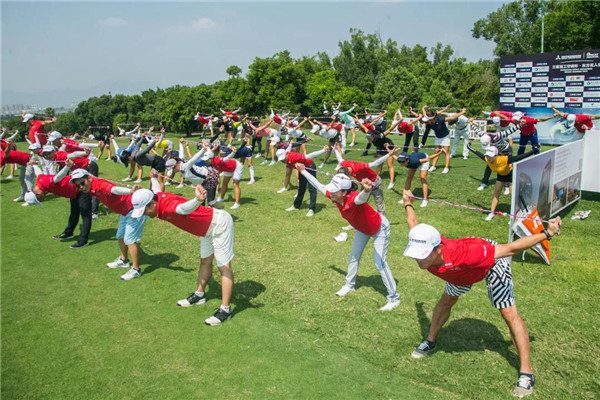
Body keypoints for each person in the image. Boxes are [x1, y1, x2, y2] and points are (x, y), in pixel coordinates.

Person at [401, 189, 563, 398]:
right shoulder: (422, 241)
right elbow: (413, 223)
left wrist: (547, 233)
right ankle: (430, 341)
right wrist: (408, 202)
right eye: (415, 255)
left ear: (438, 249)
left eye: (423, 256)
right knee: (445, 302)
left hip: (491, 262)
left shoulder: (464, 254)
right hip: (460, 274)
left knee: (508, 313)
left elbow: (511, 248)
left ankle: (526, 373)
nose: (418, 260)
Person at [295, 164, 401, 311]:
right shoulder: (335, 195)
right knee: (353, 257)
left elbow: (361, 198)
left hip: (379, 228)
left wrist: (366, 190)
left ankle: (394, 298)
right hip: (362, 228)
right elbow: (318, 185)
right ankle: (349, 285)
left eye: (334, 191)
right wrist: (303, 171)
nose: (330, 193)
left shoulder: (353, 199)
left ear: (344, 192)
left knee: (379, 262)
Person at [130, 182, 235, 326]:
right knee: (205, 262)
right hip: (205, 230)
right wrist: (151, 180)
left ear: (153, 204)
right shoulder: (157, 197)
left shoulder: (169, 207)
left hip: (219, 224)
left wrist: (197, 200)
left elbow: (183, 209)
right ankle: (199, 295)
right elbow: (155, 188)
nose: (145, 215)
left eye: (144, 211)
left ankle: (225, 310)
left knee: (224, 267)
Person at [70, 169, 148, 281]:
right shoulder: (90, 185)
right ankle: (123, 260)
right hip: (124, 211)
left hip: (133, 209)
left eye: (82, 183)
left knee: (130, 240)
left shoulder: (100, 185)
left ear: (89, 179)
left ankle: (136, 270)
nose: (81, 187)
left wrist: (130, 191)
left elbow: (114, 189)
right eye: (78, 186)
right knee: (120, 236)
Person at [25, 160, 93, 249]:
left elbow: (58, 177)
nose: (42, 200)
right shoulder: (40, 182)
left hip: (81, 189)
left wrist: (67, 167)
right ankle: (68, 233)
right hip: (73, 193)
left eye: (39, 199)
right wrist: (33, 165)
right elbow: (38, 172)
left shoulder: (47, 182)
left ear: (37, 194)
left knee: (86, 215)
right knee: (74, 213)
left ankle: (83, 240)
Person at [467, 142, 536, 221]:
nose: (488, 158)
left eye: (490, 156)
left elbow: (519, 157)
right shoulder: (487, 159)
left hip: (510, 175)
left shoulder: (505, 159)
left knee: (513, 194)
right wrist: (469, 147)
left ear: (496, 156)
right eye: (487, 155)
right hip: (501, 176)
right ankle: (492, 213)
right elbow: (478, 153)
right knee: (496, 193)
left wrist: (533, 151)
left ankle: (517, 214)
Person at [333, 146, 395, 215]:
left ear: (348, 173)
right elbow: (340, 159)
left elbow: (376, 163)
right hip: (364, 184)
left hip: (375, 182)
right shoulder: (344, 164)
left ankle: (382, 222)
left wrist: (389, 154)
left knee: (379, 203)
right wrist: (335, 149)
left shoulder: (359, 167)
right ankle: (357, 222)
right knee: (359, 203)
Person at [275, 144, 328, 217]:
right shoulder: (286, 155)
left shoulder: (293, 156)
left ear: (286, 155)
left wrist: (323, 150)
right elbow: (288, 148)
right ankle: (296, 206)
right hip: (302, 170)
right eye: (281, 160)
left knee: (312, 188)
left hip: (309, 167)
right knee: (301, 188)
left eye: (283, 159)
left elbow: (310, 155)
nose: (283, 161)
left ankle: (312, 209)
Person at [422, 105, 454, 174]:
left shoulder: (441, 119)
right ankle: (433, 166)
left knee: (446, 152)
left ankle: (446, 168)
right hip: (438, 136)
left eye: (428, 119)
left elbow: (453, 117)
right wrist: (423, 108)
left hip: (445, 136)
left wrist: (462, 112)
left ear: (433, 118)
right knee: (436, 151)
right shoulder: (428, 119)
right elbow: (424, 113)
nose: (427, 121)